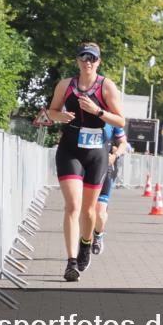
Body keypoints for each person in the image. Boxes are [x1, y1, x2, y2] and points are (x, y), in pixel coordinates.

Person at [38, 43, 126, 282]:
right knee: (72, 206)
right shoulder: (65, 85)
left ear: (99, 62)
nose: (88, 62)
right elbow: (51, 112)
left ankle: (86, 243)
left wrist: (98, 111)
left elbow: (120, 121)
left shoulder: (106, 86)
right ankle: (71, 262)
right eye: (83, 57)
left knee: (89, 210)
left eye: (92, 58)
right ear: (77, 60)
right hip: (70, 148)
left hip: (96, 152)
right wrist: (60, 116)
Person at [92, 123, 127, 256]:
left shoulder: (111, 117)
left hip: (106, 168)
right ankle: (84, 242)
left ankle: (98, 235)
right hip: (85, 168)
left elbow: (123, 143)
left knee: (100, 213)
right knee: (85, 211)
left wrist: (115, 155)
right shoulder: (81, 112)